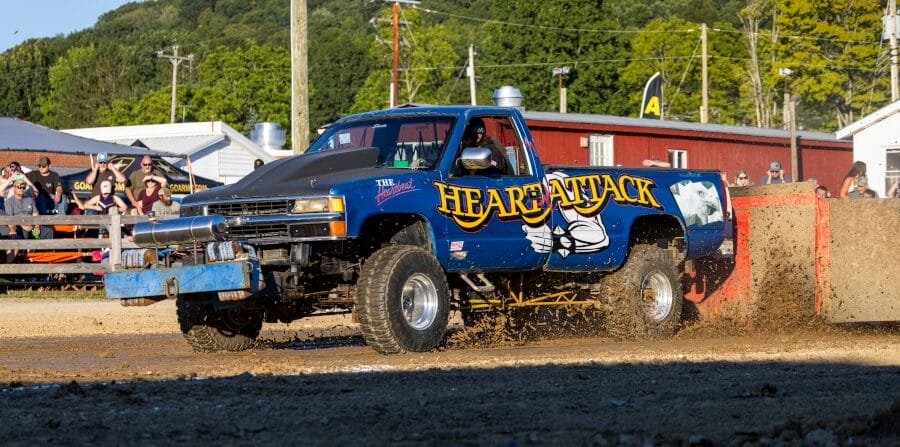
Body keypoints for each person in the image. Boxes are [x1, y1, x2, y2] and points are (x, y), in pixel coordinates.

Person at [2, 178, 52, 262]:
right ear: (14, 187)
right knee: (21, 234)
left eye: (23, 187)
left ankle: (43, 259)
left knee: (48, 232)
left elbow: (36, 215)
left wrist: (37, 227)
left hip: (31, 227)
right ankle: (27, 257)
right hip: (19, 227)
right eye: (19, 187)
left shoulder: (30, 200)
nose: (21, 189)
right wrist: (13, 229)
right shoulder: (9, 202)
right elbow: (10, 219)